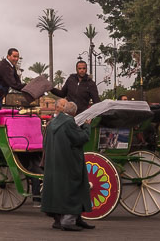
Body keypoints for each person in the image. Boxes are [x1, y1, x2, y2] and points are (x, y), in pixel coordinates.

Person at [41, 99, 94, 231]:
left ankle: (61, 220)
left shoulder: (52, 123)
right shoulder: (69, 122)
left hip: (54, 162)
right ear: (74, 112)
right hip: (69, 162)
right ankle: (69, 221)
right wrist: (87, 126)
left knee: (57, 190)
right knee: (73, 189)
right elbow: (81, 139)